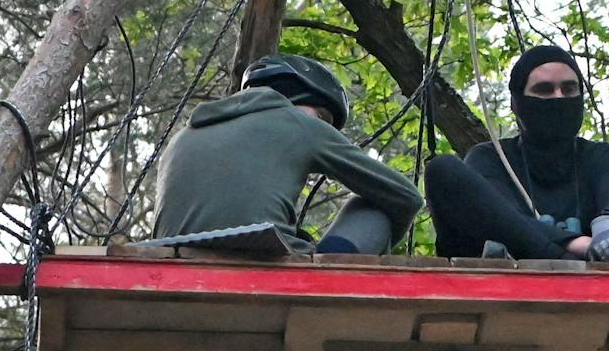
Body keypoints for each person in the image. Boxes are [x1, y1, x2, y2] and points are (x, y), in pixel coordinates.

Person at [423, 44, 609, 262]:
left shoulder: (603, 156)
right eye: (544, 90)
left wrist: (608, 224)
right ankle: (579, 262)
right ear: (518, 103)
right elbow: (506, 218)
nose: (558, 98)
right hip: (521, 261)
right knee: (442, 170)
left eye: (569, 89)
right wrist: (578, 245)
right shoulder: (491, 157)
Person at [151, 53, 421, 254]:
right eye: (323, 117)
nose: (325, 128)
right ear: (298, 96)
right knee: (372, 208)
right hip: (263, 261)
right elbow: (406, 196)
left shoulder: (183, 136)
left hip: (171, 259)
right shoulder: (299, 123)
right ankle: (335, 281)